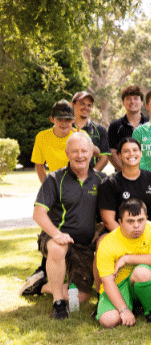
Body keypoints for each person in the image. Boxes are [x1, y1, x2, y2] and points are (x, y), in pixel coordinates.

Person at [30, 132, 106, 318]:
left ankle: (41, 287)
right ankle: (58, 303)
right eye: (75, 151)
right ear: (67, 153)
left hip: (83, 245)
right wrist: (56, 234)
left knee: (80, 297)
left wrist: (99, 229)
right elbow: (38, 214)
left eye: (84, 151)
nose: (80, 155)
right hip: (55, 236)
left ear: (91, 153)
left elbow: (106, 214)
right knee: (58, 247)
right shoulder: (54, 179)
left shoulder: (102, 179)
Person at [96, 199, 151, 327]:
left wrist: (127, 259)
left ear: (146, 218)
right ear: (120, 222)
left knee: (142, 272)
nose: (136, 225)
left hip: (146, 280)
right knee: (108, 320)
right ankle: (127, 305)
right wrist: (124, 310)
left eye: (140, 220)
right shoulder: (107, 243)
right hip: (118, 285)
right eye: (130, 221)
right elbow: (107, 281)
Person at [98, 137, 151, 230]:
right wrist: (127, 239)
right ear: (119, 155)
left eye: (135, 150)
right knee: (101, 241)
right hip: (119, 235)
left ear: (141, 153)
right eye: (126, 151)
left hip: (148, 235)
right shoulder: (110, 183)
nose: (131, 154)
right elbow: (108, 221)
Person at [31, 99, 80, 183]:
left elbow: (94, 157)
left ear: (73, 120)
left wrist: (81, 141)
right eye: (60, 119)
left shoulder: (81, 135)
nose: (63, 123)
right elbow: (39, 165)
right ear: (52, 119)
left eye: (67, 119)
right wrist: (47, 187)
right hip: (56, 184)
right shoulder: (42, 137)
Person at [107, 85, 148, 171]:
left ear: (141, 102)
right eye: (128, 99)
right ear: (123, 103)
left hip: (148, 176)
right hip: (122, 177)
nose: (132, 101)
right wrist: (126, 173)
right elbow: (111, 153)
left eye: (136, 98)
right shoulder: (115, 126)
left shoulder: (150, 124)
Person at [72, 91, 109, 171]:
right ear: (73, 104)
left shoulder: (100, 130)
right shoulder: (65, 128)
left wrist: (91, 178)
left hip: (91, 179)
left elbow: (104, 158)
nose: (86, 107)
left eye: (89, 105)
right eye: (82, 104)